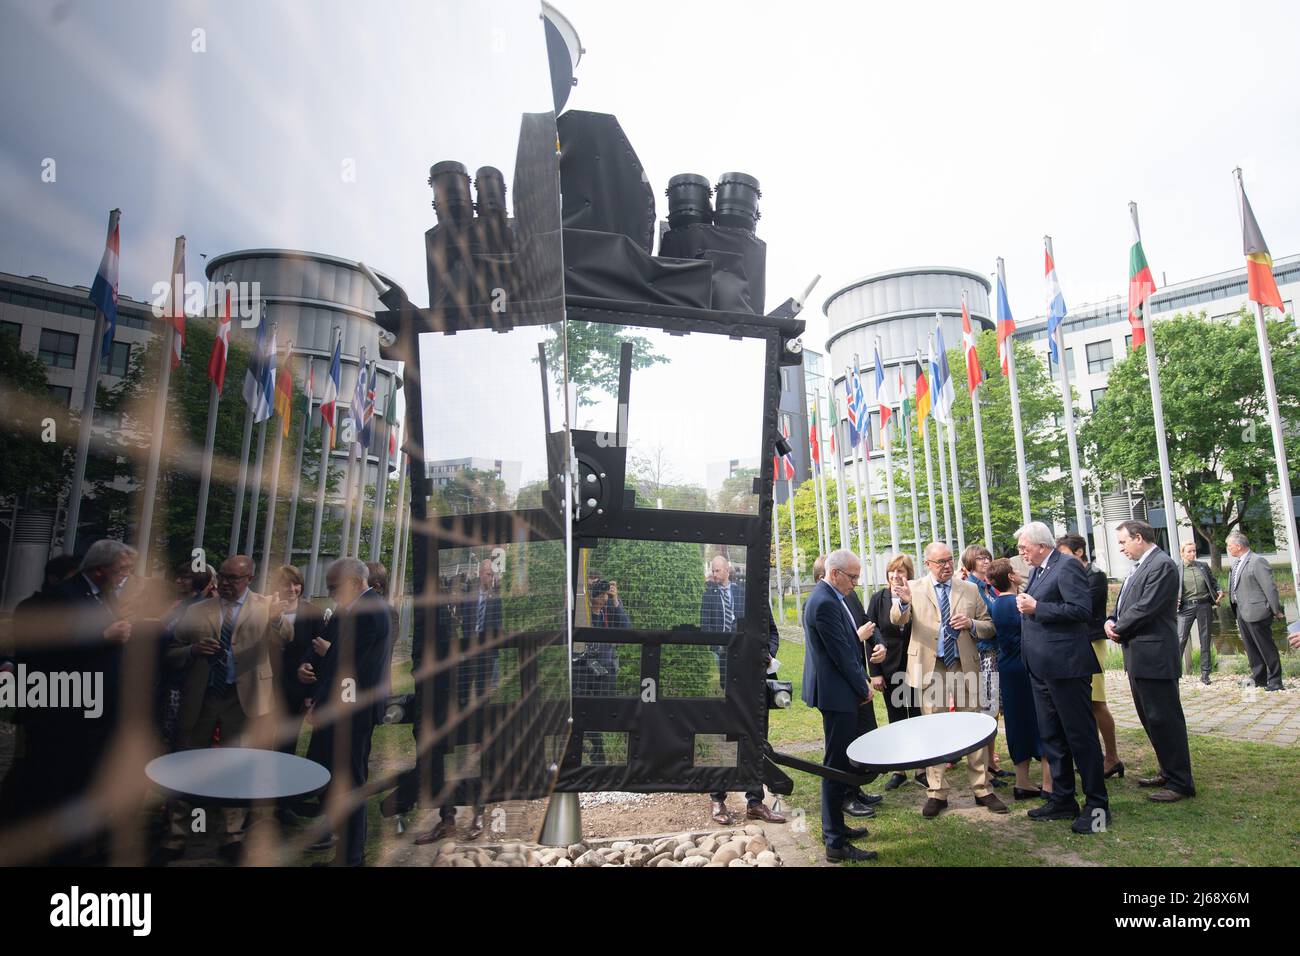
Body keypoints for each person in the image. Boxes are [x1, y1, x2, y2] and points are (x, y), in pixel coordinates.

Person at [3, 540, 134, 864]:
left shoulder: (104, 597)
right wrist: (103, 637)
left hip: (96, 713)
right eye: (122, 570)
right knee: (50, 786)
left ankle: (73, 848)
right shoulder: (58, 599)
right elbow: (42, 649)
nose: (125, 577)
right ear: (100, 569)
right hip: (63, 714)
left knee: (82, 785)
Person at [160, 555, 292, 863]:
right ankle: (177, 834)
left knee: (240, 763)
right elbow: (170, 652)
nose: (225, 583)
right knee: (187, 762)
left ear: (249, 579)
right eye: (222, 576)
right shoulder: (196, 609)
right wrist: (192, 650)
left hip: (244, 697)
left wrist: (274, 618)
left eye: (234, 578)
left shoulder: (263, 606)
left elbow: (286, 636)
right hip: (203, 695)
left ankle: (232, 834)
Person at [891, 542, 1007, 818]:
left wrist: (971, 625)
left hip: (964, 663)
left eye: (949, 560)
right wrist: (904, 601)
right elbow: (897, 620)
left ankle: (982, 788)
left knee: (974, 725)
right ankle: (937, 792)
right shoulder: (915, 587)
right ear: (927, 563)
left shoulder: (969, 588)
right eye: (940, 561)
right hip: (932, 666)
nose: (946, 565)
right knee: (934, 729)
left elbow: (989, 626)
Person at [1014, 522, 1109, 834]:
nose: (1020, 553)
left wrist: (1037, 607)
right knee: (1052, 737)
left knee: (1080, 736)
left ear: (1041, 545)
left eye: (1024, 548)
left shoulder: (1067, 566)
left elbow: (1081, 610)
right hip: (1041, 668)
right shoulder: (1039, 570)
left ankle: (1097, 806)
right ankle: (1063, 798)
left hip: (1067, 667)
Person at [300, 558, 393, 866]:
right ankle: (344, 853)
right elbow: (323, 646)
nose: (331, 594)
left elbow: (352, 668)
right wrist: (308, 667)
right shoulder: (350, 608)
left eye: (333, 587)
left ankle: (351, 859)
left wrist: (321, 696)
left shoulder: (371, 611)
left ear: (355, 582)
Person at [1104, 520, 1195, 803]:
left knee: (1165, 718)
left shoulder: (1162, 565)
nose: (1120, 548)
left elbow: (1146, 607)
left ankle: (1180, 782)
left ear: (1139, 538)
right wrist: (1111, 619)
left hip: (1155, 656)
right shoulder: (1144, 565)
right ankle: (1168, 771)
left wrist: (1118, 628)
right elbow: (1128, 604)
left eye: (1123, 542)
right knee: (1151, 718)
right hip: (1140, 654)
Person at [802, 549, 877, 863]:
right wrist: (864, 686)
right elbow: (841, 654)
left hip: (839, 693)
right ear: (834, 574)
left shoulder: (830, 597)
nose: (856, 583)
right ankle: (835, 843)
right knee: (835, 768)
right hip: (837, 695)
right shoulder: (824, 603)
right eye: (853, 577)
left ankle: (838, 829)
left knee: (840, 763)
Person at [701, 554, 785, 825]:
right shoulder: (708, 595)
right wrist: (717, 654)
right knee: (724, 737)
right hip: (724, 675)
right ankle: (717, 798)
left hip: (754, 678)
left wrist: (768, 655)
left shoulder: (752, 596)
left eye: (719, 569)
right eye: (712, 570)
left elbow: (772, 633)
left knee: (756, 739)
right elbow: (705, 630)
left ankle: (755, 802)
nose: (715, 573)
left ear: (729, 571)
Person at [1057, 534, 1124, 778]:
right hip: (1076, 642)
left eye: (1064, 553)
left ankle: (1112, 756)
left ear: (1079, 552)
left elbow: (1080, 607)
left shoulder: (1094, 575)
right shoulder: (1071, 573)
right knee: (1084, 703)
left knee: (1097, 701)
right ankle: (1094, 755)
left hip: (1091, 641)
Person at [987, 559, 1053, 800]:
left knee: (1016, 721)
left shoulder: (995, 605)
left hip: (1007, 667)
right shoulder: (1019, 603)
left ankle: (1022, 781)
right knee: (1041, 719)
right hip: (1027, 667)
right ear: (1012, 577)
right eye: (1016, 571)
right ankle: (1049, 783)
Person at [864, 554, 926, 792]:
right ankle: (898, 769)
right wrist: (875, 672)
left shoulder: (918, 595)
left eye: (901, 571)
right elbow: (870, 634)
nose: (896, 576)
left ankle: (922, 768)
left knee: (919, 715)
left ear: (909, 574)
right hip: (889, 667)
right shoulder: (878, 599)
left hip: (916, 664)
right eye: (892, 571)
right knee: (896, 717)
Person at [961, 545, 1008, 788]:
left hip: (996, 651)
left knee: (994, 708)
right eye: (980, 558)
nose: (985, 561)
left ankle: (992, 761)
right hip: (981, 653)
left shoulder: (990, 587)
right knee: (986, 710)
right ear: (969, 562)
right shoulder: (970, 588)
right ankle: (984, 768)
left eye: (987, 557)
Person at [271, 566, 326, 762]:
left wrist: (312, 693)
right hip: (266, 685)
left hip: (297, 689)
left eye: (296, 584)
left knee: (286, 741)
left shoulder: (313, 613)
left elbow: (319, 655)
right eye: (286, 584)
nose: (292, 589)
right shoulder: (264, 610)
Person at [1224, 531, 1285, 691]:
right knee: (1250, 647)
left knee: (1265, 646)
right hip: (1241, 611)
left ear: (1238, 546)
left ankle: (1276, 681)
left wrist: (1275, 610)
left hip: (1258, 611)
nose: (1228, 549)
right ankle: (1259, 677)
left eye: (1229, 546)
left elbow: (1269, 588)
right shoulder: (1237, 563)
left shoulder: (1257, 561)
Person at [1176, 541, 1221, 684]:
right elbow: (1169, 587)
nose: (1192, 554)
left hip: (1204, 605)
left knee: (1205, 639)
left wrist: (1218, 590)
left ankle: (1205, 674)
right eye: (1189, 551)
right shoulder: (1176, 569)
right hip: (1185, 608)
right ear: (1182, 553)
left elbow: (1214, 583)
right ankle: (1174, 673)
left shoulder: (1203, 566)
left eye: (1194, 551)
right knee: (1180, 639)